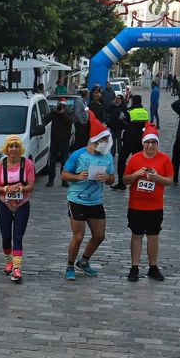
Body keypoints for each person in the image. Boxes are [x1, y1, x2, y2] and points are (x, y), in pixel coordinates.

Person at [62, 112, 115, 281]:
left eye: (107, 140)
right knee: (78, 236)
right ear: (95, 140)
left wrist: (107, 178)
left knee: (99, 236)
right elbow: (64, 174)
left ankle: (83, 261)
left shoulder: (108, 157)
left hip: (95, 201)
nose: (107, 143)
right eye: (104, 140)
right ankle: (70, 265)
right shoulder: (78, 154)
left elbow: (112, 179)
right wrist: (77, 177)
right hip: (77, 199)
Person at [122, 123, 172, 282]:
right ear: (143, 143)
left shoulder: (164, 159)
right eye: (148, 142)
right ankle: (134, 267)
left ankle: (153, 267)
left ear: (157, 144)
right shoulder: (135, 158)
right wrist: (137, 174)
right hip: (136, 205)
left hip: (155, 206)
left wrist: (156, 177)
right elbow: (125, 180)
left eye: (154, 142)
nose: (150, 145)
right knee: (136, 236)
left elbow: (170, 181)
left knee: (153, 237)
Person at [0, 135, 35, 283]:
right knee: (6, 237)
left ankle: (17, 268)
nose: (13, 149)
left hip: (23, 204)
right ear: (6, 148)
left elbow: (31, 185)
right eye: (11, 146)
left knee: (18, 236)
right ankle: (9, 261)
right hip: (5, 204)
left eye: (16, 146)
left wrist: (21, 188)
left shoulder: (27, 164)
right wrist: (6, 189)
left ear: (20, 148)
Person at [114, 95, 149, 191]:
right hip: (140, 140)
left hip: (129, 139)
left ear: (133, 101)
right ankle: (138, 182)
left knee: (122, 160)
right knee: (138, 162)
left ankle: (121, 183)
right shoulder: (145, 112)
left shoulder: (129, 111)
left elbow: (121, 123)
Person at [47, 100, 75, 188]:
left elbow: (70, 121)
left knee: (64, 162)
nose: (61, 108)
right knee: (52, 162)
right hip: (54, 141)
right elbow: (46, 119)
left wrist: (63, 113)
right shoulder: (54, 114)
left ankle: (64, 180)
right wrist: (54, 111)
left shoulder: (68, 114)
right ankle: (51, 180)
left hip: (64, 142)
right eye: (60, 105)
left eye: (63, 106)